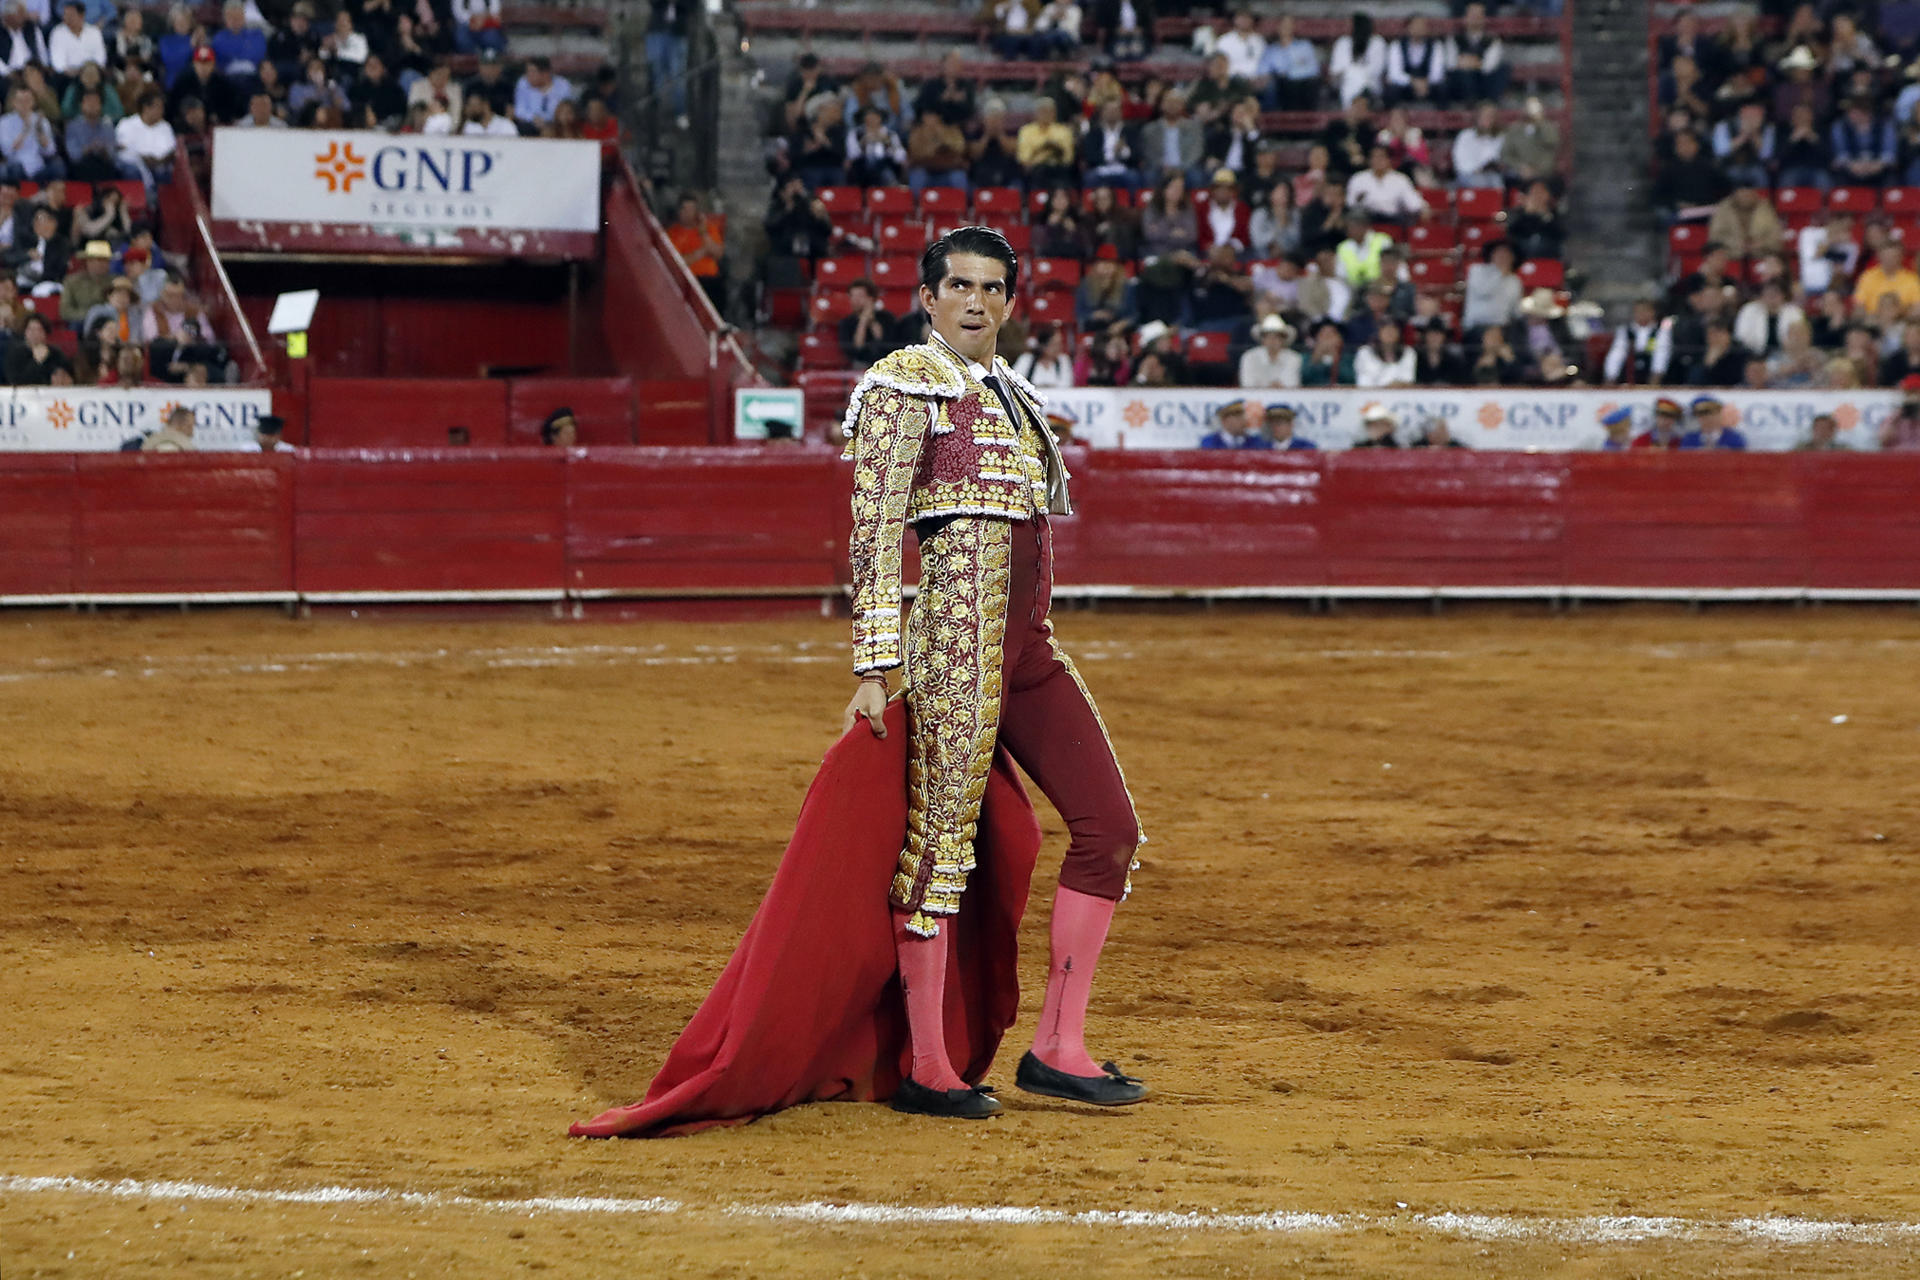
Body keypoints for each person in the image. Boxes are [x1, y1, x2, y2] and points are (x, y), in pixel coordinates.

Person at [572, 226, 1145, 1137]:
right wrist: (876, 665)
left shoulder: (1020, 396)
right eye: (958, 285)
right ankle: (926, 1063)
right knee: (940, 853)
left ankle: (1059, 1049)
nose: (975, 302)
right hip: (953, 648)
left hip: (1031, 651)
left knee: (1110, 829)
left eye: (992, 288)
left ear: (1009, 300)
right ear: (927, 296)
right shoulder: (898, 386)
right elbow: (874, 537)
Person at [666, 194, 724, 312]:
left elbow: (717, 253)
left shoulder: (708, 229)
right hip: (687, 280)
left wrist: (703, 233)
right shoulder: (672, 233)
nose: (688, 214)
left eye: (692, 210)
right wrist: (702, 252)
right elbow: (678, 262)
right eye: (685, 209)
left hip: (710, 280)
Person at [837, 278, 894, 368]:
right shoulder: (846, 323)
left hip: (885, 363)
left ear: (871, 298)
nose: (855, 300)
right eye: (852, 296)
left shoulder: (886, 318)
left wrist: (871, 320)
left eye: (860, 296)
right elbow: (856, 348)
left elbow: (884, 341)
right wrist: (863, 321)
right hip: (859, 364)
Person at [1239, 314, 1299, 387]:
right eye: (1268, 336)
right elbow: (1248, 384)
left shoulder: (1293, 358)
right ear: (1262, 339)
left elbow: (1292, 384)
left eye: (1276, 337)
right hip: (1255, 398)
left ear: (1283, 340)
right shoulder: (1249, 357)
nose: (1272, 340)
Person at [1354, 318, 1414, 387]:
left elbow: (1408, 380)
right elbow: (1363, 382)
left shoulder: (1409, 352)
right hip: (1370, 395)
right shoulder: (1364, 352)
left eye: (1393, 329)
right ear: (1378, 332)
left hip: (1399, 395)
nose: (1389, 333)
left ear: (1399, 333)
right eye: (1385, 329)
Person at [1199, 398, 1270, 449]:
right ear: (1225, 420)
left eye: (1243, 416)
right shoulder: (1209, 442)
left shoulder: (1256, 443)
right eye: (1237, 417)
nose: (1243, 421)